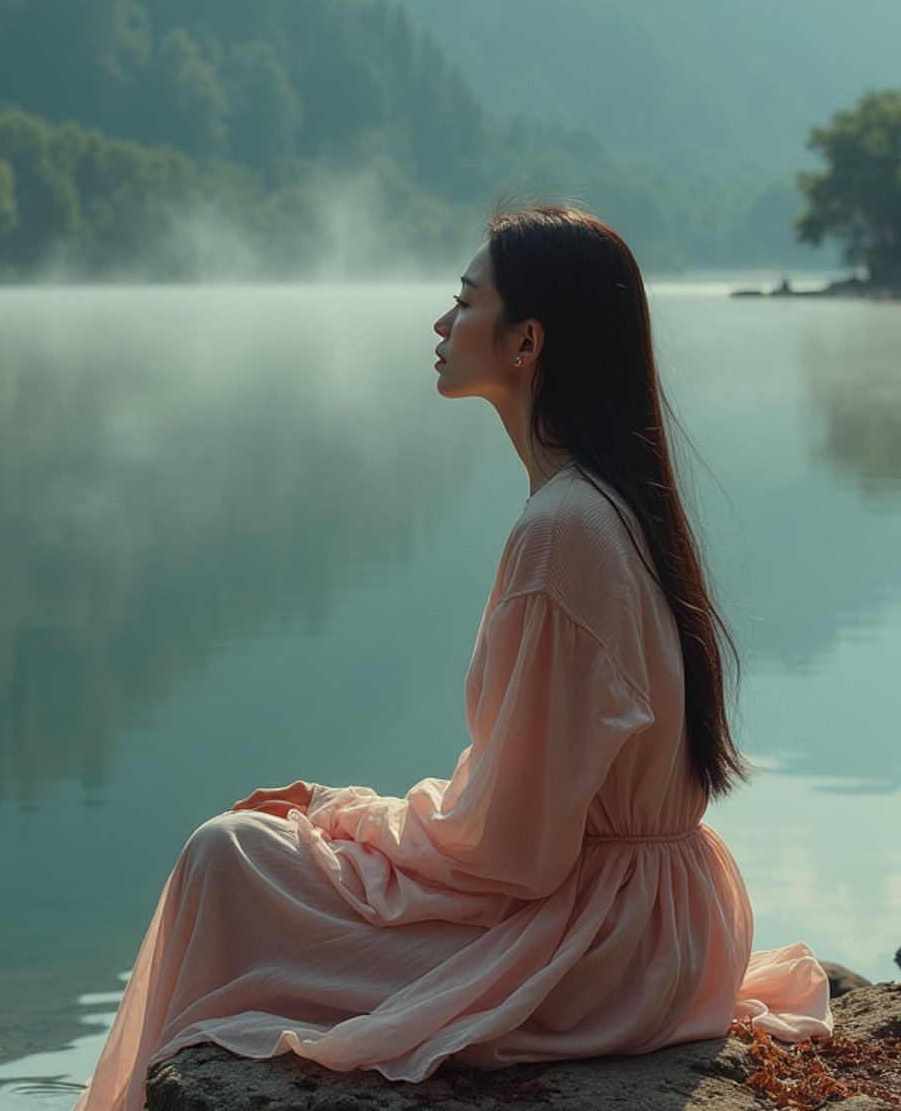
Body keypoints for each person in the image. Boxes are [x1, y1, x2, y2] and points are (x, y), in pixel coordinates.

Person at [74, 204, 831, 1111]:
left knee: (226, 857)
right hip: (661, 922)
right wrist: (356, 828)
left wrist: (343, 813)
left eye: (465, 301)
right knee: (253, 857)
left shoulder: (565, 532)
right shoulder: (607, 507)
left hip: (602, 952)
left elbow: (513, 850)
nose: (441, 324)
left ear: (526, 343)